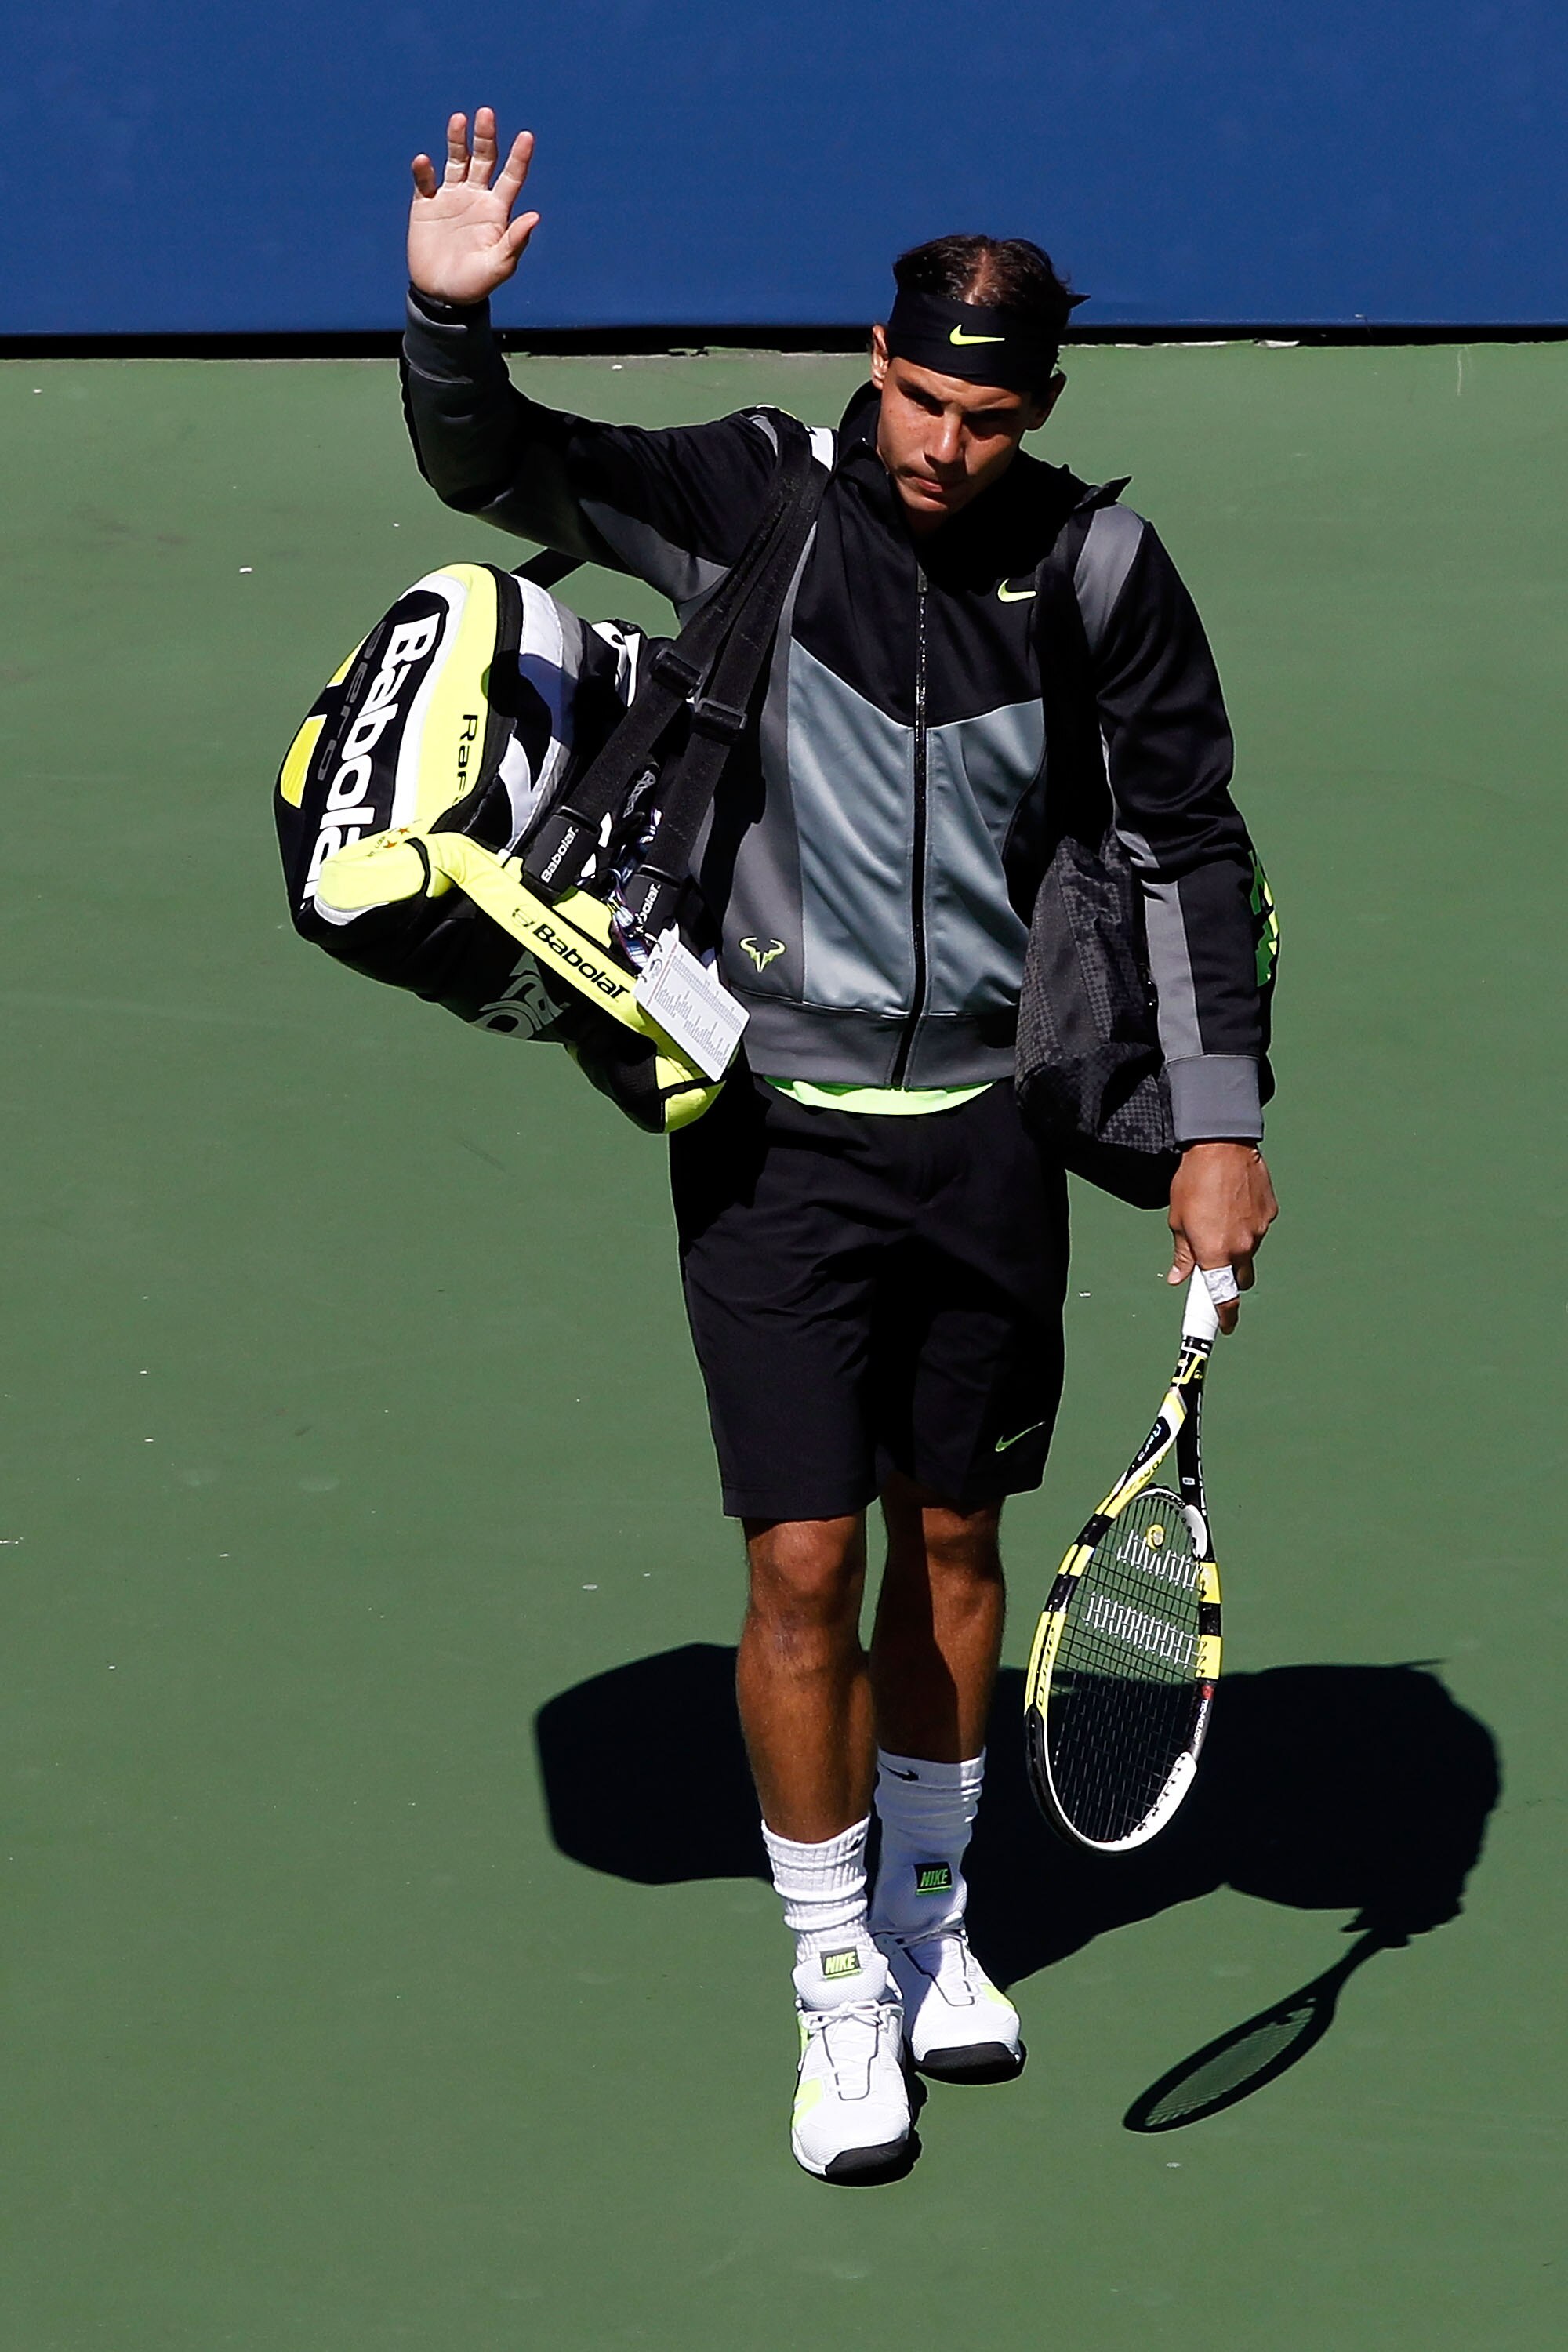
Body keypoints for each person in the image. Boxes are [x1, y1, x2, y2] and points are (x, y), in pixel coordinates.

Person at [402, 108, 1278, 2182]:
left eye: (983, 416)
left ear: (1034, 411)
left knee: (953, 1547)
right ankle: (832, 1979)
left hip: (985, 1132)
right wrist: (450, 323)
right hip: (772, 1134)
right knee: (803, 1554)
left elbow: (1185, 855)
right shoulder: (756, 502)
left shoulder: (1099, 570)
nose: (940, 444)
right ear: (867, 361)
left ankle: (931, 1916)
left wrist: (1217, 1132)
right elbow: (510, 467)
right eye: (912, 395)